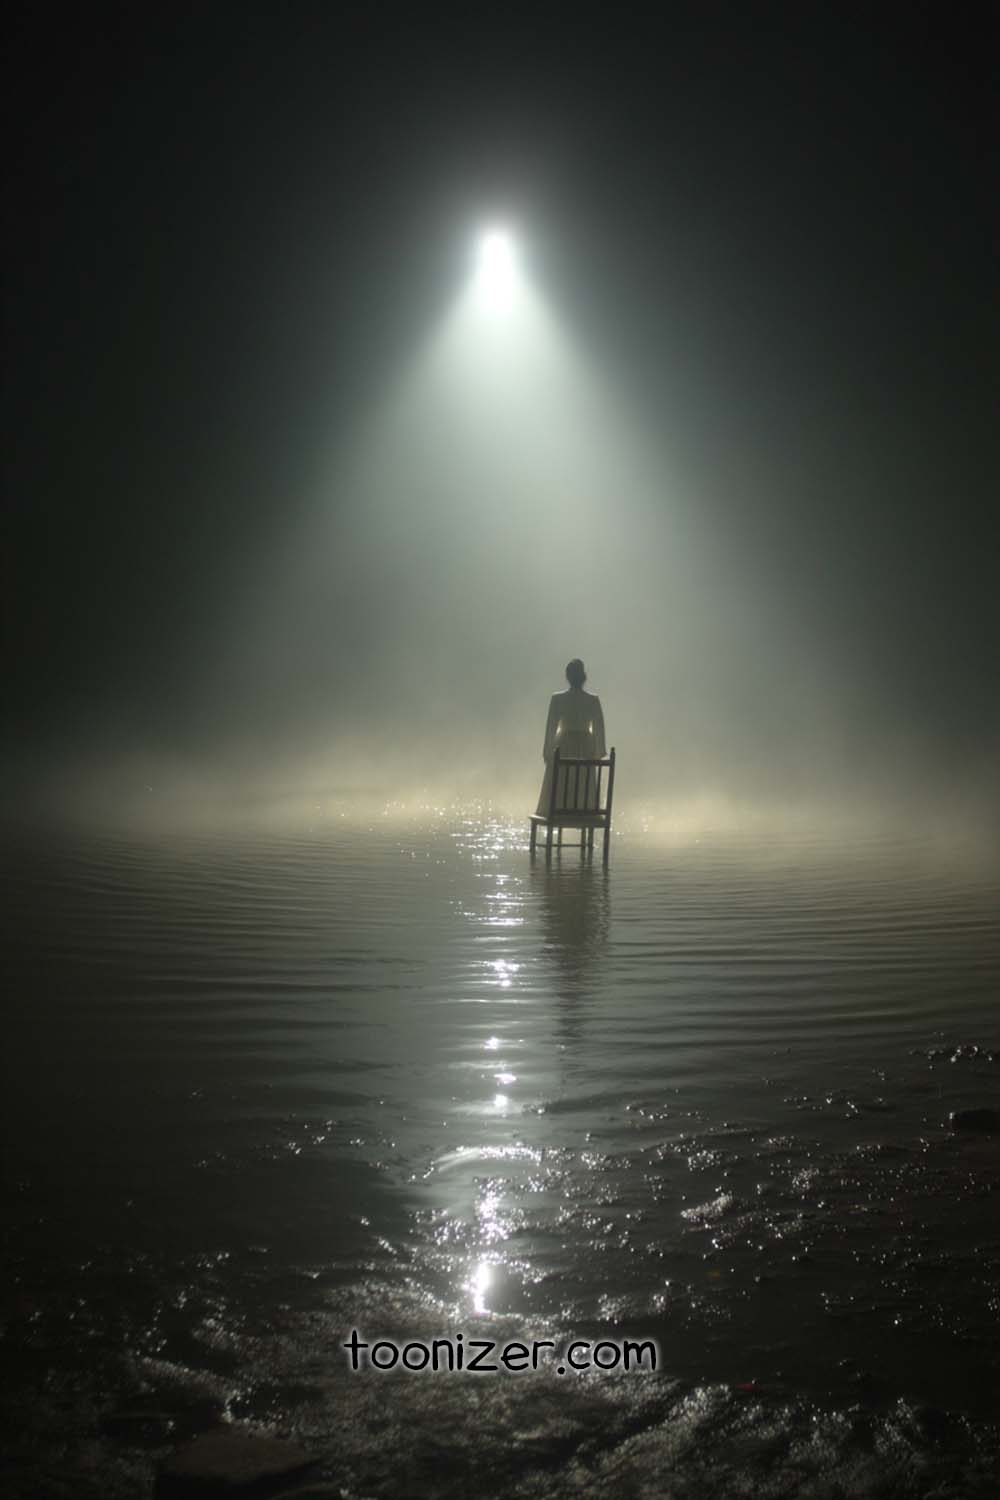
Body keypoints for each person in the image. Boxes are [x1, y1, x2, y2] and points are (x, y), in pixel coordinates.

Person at [536, 659, 607, 816]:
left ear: (567, 676)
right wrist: (598, 752)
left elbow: (550, 729)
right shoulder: (593, 700)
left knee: (560, 775)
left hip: (563, 745)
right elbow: (599, 731)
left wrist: (547, 752)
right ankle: (584, 809)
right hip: (586, 747)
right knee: (583, 776)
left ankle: (556, 809)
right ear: (584, 676)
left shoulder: (557, 699)